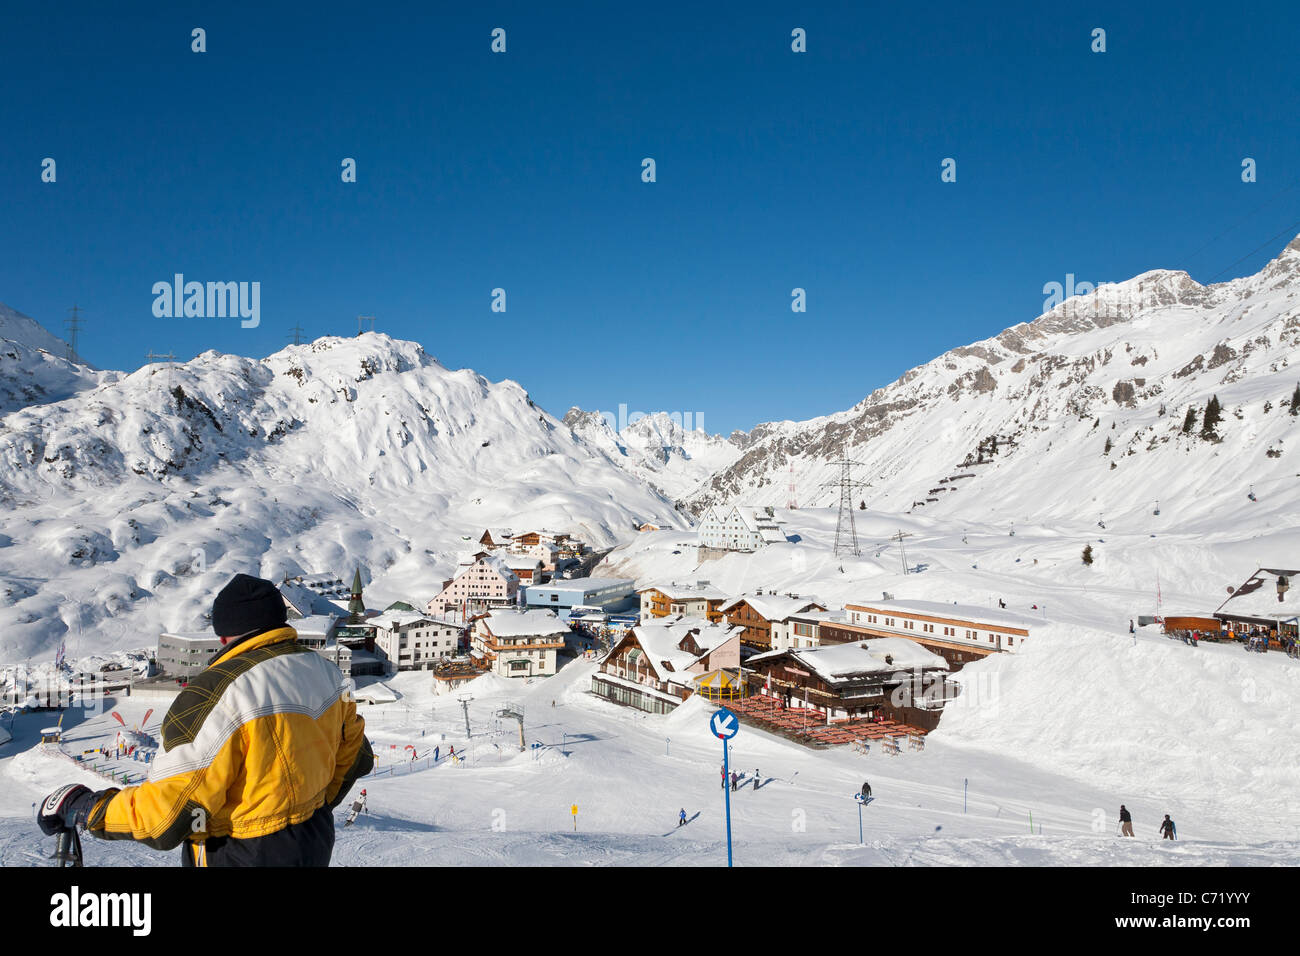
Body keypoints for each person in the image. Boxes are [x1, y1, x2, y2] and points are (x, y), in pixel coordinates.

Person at [37, 573, 373, 867]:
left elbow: (165, 818)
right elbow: (356, 757)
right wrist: (309, 810)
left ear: (224, 635)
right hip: (312, 844)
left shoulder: (214, 693)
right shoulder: (328, 673)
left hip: (238, 854)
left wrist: (89, 809)